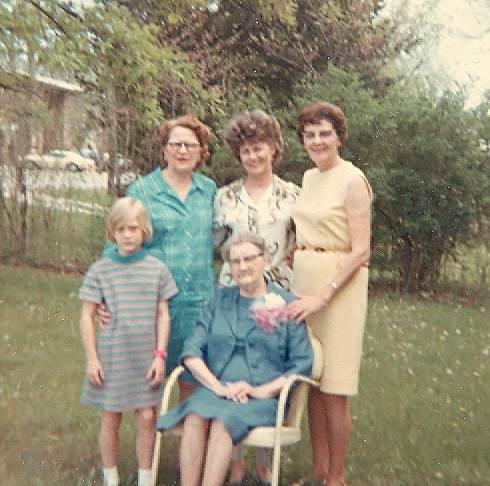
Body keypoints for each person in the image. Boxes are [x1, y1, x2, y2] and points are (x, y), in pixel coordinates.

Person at [157, 232, 313, 486]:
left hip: (261, 396)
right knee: (195, 417)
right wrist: (217, 387)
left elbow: (302, 362)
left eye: (249, 258)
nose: (242, 267)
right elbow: (191, 350)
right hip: (216, 390)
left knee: (223, 422)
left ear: (265, 259)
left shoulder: (286, 304)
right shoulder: (219, 300)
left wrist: (260, 390)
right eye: (235, 261)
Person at [102, 114, 217, 399]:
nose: (182, 151)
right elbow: (116, 244)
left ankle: (187, 442)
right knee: (152, 382)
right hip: (155, 302)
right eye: (175, 144)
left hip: (199, 302)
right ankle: (151, 442)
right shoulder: (143, 190)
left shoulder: (209, 191)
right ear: (164, 149)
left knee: (193, 378)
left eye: (190, 145)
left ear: (201, 152)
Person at [288, 102, 372, 486]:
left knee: (335, 387)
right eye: (310, 134)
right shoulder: (308, 177)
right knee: (312, 381)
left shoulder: (352, 179)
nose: (317, 140)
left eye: (325, 133)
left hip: (338, 289)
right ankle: (318, 471)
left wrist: (324, 295)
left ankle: (336, 478)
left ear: (339, 136)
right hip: (303, 282)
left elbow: (361, 250)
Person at [213, 109, 299, 484]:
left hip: (276, 298)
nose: (253, 156)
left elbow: (301, 243)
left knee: (268, 369)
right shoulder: (224, 196)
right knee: (231, 366)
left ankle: (266, 461)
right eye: (246, 149)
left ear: (274, 149)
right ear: (238, 154)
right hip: (233, 293)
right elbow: (218, 245)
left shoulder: (294, 195)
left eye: (259, 147)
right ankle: (233, 459)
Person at [79, 197, 178, 486]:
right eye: (121, 229)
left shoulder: (157, 268)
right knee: (111, 416)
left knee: (147, 416)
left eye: (133, 228)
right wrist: (92, 358)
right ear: (113, 232)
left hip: (145, 355)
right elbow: (86, 315)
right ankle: (111, 478)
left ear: (144, 230)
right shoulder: (101, 269)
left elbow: (163, 313)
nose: (128, 235)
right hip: (113, 355)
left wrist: (160, 354)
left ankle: (145, 478)